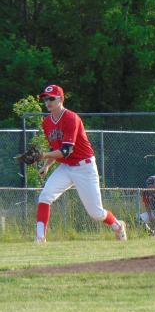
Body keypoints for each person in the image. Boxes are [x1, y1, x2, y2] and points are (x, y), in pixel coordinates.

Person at [34, 84, 127, 242]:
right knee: (45, 196)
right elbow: (55, 148)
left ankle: (118, 226)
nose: (47, 101)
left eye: (51, 98)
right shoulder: (47, 122)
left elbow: (65, 150)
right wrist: (47, 164)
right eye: (45, 99)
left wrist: (42, 155)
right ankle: (40, 238)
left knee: (96, 213)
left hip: (84, 167)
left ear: (61, 99)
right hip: (66, 167)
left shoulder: (71, 118)